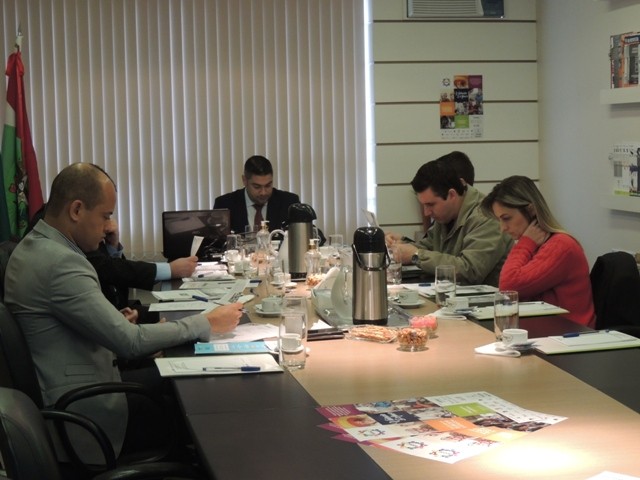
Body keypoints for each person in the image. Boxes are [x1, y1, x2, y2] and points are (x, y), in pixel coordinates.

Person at [4, 163, 243, 463]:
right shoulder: (61, 263)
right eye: (105, 216)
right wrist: (205, 322)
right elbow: (130, 341)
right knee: (200, 392)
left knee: (178, 378)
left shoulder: (35, 247)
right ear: (76, 210)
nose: (108, 226)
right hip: (87, 415)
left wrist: (113, 321)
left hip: (74, 389)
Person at [480, 175, 595, 327]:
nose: (502, 228)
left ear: (531, 210)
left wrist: (525, 243)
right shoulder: (536, 244)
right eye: (499, 220)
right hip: (545, 328)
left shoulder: (561, 245)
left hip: (568, 332)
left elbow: (508, 287)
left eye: (506, 218)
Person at [386, 158, 512, 286]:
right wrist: (399, 248)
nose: (426, 212)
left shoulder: (486, 217)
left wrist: (416, 255)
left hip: (487, 297)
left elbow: (469, 271)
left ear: (451, 195)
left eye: (430, 204)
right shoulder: (446, 214)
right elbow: (428, 246)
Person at [214, 155, 300, 233]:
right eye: (257, 187)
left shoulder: (289, 203)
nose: (263, 192)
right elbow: (217, 243)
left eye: (268, 185)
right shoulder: (224, 205)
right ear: (244, 181)